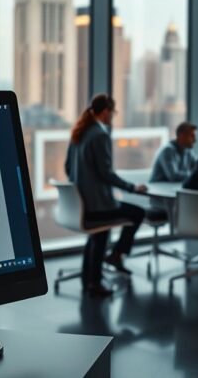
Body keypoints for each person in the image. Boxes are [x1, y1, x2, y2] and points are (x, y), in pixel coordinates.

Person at [65, 94, 148, 298]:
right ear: (106, 112)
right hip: (98, 207)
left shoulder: (79, 133)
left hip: (82, 204)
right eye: (113, 112)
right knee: (137, 213)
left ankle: (90, 280)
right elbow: (106, 173)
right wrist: (132, 188)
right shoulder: (100, 135)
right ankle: (115, 258)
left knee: (98, 234)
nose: (114, 117)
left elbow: (68, 167)